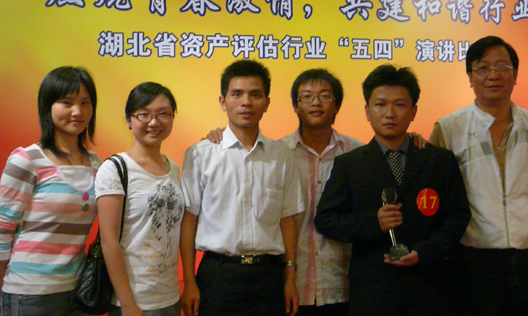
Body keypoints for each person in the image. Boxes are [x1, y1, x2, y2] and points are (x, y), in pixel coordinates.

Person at [314, 64, 470, 316]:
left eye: (399, 105)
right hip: (373, 291)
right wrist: (372, 223)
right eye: (380, 104)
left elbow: (458, 216)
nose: (389, 113)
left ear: (413, 111)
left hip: (430, 287)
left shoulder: (439, 160)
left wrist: (425, 252)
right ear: (367, 111)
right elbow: (326, 219)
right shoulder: (349, 164)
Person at [206, 68, 364, 315]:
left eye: (325, 96)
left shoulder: (357, 154)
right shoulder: (274, 154)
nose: (316, 103)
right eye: (307, 97)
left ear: (337, 105)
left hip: (341, 281)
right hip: (286, 284)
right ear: (295, 106)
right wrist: (219, 137)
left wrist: (414, 140)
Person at [429, 36, 528, 316]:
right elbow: (438, 191)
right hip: (473, 258)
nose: (493, 75)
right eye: (483, 68)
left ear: (515, 75)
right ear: (470, 77)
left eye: (502, 66)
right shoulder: (448, 128)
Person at [180, 59, 304, 316]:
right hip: (218, 275)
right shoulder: (201, 154)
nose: (246, 102)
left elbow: (287, 219)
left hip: (269, 276)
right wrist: (189, 281)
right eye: (237, 94)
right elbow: (189, 220)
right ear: (223, 101)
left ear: (266, 103)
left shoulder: (281, 155)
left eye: (255, 95)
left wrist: (290, 276)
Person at [0, 66, 100, 316]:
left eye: (85, 103)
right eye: (66, 102)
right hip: (30, 293)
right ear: (47, 106)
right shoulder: (27, 160)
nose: (77, 111)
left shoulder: (96, 164)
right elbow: (3, 228)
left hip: (80, 291)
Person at [96, 82, 184, 316]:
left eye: (163, 114)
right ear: (129, 119)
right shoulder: (115, 169)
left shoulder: (174, 169)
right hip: (133, 302)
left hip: (170, 297)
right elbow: (108, 241)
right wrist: (128, 304)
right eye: (144, 114)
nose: (154, 122)